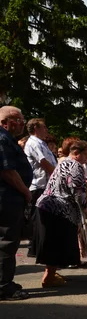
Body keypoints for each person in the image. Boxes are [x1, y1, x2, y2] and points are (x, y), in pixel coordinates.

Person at [36, 141, 87, 287]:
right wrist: (86, 209)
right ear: (77, 153)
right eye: (86, 155)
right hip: (60, 208)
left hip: (47, 205)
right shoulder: (75, 165)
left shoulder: (63, 162)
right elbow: (77, 191)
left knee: (52, 242)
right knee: (56, 243)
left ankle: (50, 274)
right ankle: (49, 277)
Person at [0, 106, 33, 300]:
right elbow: (8, 171)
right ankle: (4, 286)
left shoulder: (7, 139)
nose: (22, 124)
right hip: (7, 198)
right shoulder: (2, 139)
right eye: (20, 120)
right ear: (8, 122)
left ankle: (5, 281)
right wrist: (26, 192)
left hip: (9, 197)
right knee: (7, 241)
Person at [24, 118, 57, 257]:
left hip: (46, 185)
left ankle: (40, 246)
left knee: (44, 219)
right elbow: (43, 162)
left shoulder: (41, 143)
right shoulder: (33, 143)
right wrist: (59, 176)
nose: (46, 130)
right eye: (44, 127)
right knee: (38, 219)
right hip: (39, 186)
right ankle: (35, 248)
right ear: (36, 128)